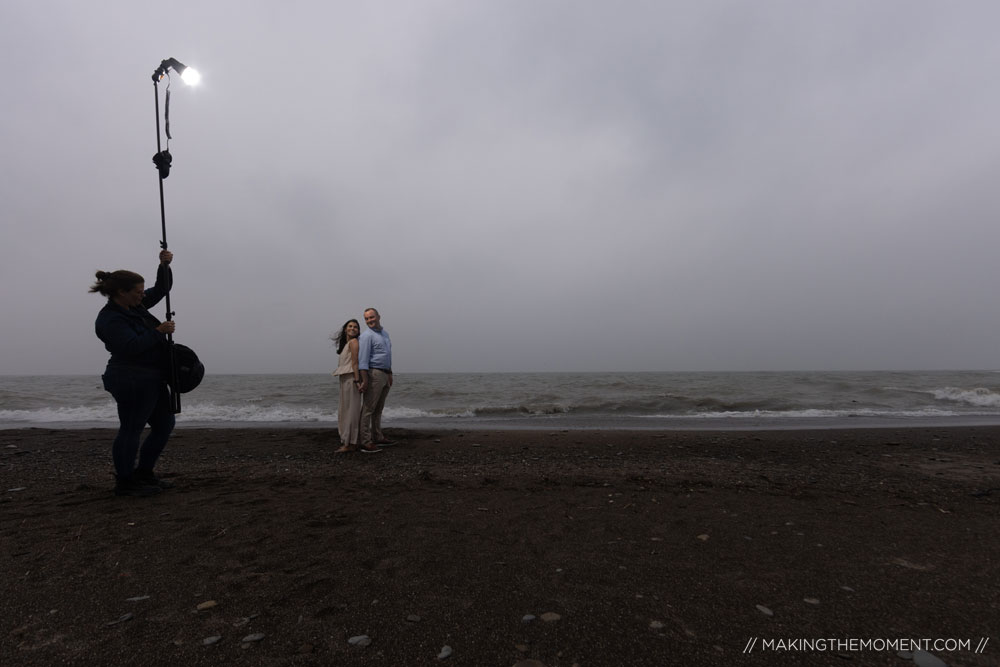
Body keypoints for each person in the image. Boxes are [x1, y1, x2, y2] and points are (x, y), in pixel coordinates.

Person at [91, 249, 176, 497]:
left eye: (142, 292)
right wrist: (158, 331)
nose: (142, 295)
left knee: (164, 425)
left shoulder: (134, 306)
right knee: (131, 428)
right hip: (130, 378)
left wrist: (163, 266)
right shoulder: (109, 319)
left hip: (152, 376)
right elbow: (129, 346)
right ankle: (125, 482)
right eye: (138, 292)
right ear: (121, 293)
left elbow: (161, 289)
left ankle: (144, 473)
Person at [331, 319, 378, 453]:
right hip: (345, 378)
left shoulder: (354, 342)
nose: (353, 328)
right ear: (345, 329)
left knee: (351, 411)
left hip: (352, 378)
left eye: (356, 327)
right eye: (350, 326)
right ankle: (348, 440)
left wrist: (358, 381)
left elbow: (356, 363)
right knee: (346, 410)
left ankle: (350, 443)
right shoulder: (347, 343)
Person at [358, 307, 394, 448]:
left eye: (371, 317)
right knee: (368, 409)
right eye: (366, 318)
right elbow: (363, 360)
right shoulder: (366, 336)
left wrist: (390, 373)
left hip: (385, 374)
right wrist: (365, 379)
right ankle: (365, 441)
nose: (369, 321)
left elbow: (387, 355)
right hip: (374, 374)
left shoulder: (385, 334)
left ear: (378, 316)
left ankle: (378, 436)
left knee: (379, 409)